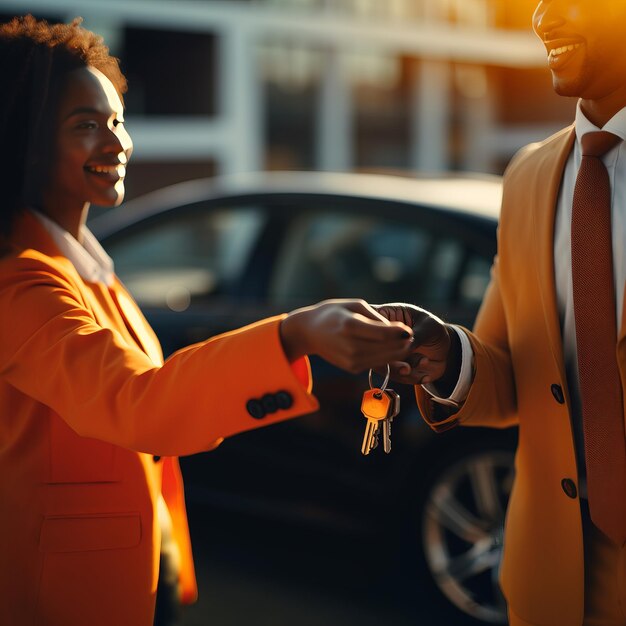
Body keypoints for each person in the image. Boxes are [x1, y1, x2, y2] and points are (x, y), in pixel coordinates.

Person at [0, 15, 416, 626]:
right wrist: (294, 332)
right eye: (85, 126)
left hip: (136, 563)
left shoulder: (86, 268)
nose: (116, 143)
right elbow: (141, 402)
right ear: (24, 140)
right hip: (62, 593)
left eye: (117, 120)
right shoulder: (20, 285)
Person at [378, 1, 626, 625]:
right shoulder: (527, 176)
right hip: (554, 578)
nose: (542, 16)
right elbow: (509, 376)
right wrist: (448, 356)